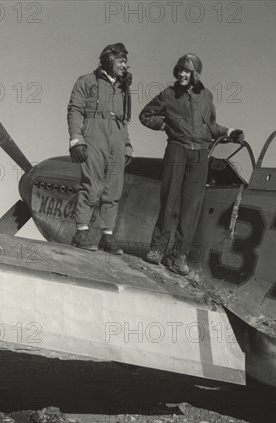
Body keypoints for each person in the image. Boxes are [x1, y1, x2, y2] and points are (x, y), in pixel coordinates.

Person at [139, 53, 244, 275]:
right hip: (177, 150)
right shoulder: (168, 94)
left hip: (200, 156)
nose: (182, 74)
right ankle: (157, 250)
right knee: (169, 202)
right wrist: (164, 125)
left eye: (186, 71)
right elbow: (145, 115)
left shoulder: (207, 97)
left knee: (191, 208)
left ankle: (179, 256)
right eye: (179, 70)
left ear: (195, 74)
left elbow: (211, 127)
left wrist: (230, 132)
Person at [67, 43, 134, 254]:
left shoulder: (122, 87)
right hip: (94, 133)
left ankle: (107, 236)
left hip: (117, 136)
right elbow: (75, 110)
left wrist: (127, 145)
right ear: (108, 60)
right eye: (121, 61)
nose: (125, 66)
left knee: (113, 189)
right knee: (91, 184)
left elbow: (123, 119)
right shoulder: (86, 81)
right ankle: (82, 232)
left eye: (125, 62)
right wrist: (76, 139)